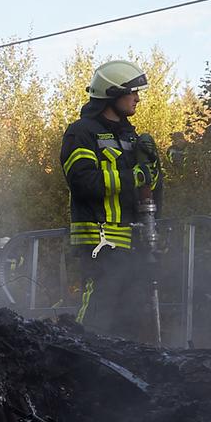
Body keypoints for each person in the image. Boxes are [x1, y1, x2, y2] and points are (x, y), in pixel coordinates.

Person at [60, 59, 163, 341]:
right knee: (97, 318)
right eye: (133, 93)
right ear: (113, 93)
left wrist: (153, 166)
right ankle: (78, 364)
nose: (137, 99)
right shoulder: (82, 132)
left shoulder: (131, 136)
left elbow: (149, 188)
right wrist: (135, 176)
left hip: (134, 245)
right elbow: (84, 182)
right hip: (101, 245)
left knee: (130, 322)